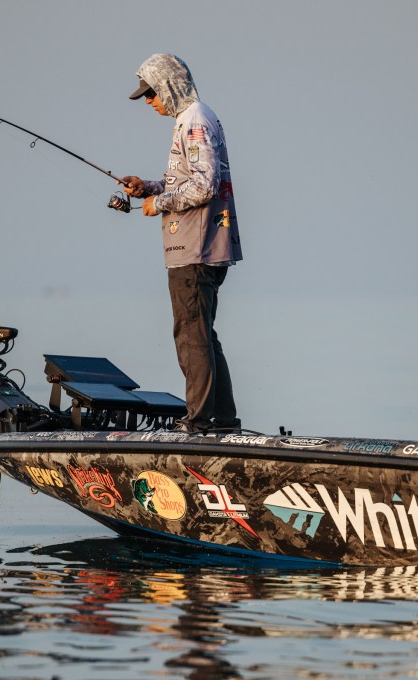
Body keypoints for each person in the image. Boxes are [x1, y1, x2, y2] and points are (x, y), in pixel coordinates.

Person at [120, 53, 243, 431]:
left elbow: (205, 186)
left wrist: (159, 204)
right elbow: (190, 180)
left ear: (169, 86)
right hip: (203, 246)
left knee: (191, 336)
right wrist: (149, 188)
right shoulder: (194, 119)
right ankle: (222, 419)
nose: (148, 101)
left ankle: (200, 421)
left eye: (151, 93)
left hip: (195, 248)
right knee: (203, 334)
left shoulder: (194, 121)